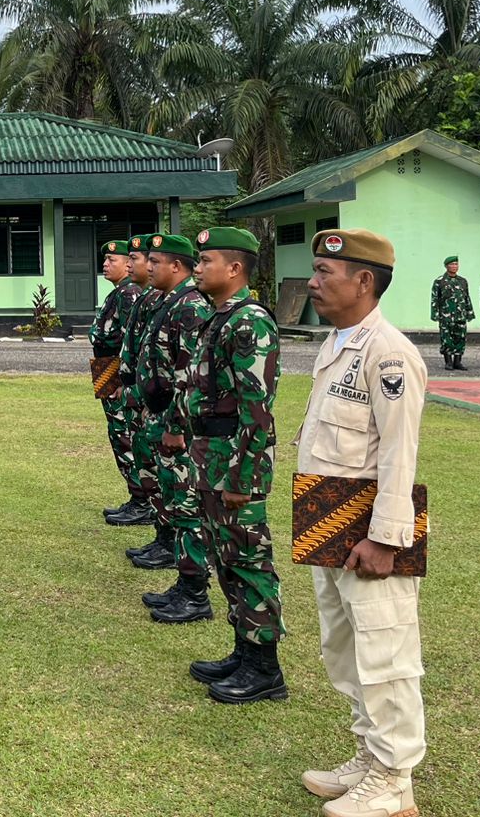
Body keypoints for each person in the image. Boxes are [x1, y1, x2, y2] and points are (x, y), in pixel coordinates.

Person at [297, 228, 428, 817]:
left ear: (364, 281)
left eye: (325, 272)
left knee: (385, 652)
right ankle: (370, 755)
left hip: (370, 531)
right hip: (327, 517)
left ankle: (395, 779)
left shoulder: (389, 353)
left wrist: (385, 539)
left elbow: (400, 453)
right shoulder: (336, 343)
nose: (312, 282)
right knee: (345, 648)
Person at [181, 226, 286, 705]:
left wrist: (243, 476)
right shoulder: (220, 317)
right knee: (225, 558)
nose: (198, 268)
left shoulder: (250, 322)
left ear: (235, 268)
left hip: (236, 463)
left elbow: (256, 407)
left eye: (206, 261)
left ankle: (265, 667)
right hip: (212, 456)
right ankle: (244, 651)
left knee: (247, 560)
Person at [138, 233, 216, 625]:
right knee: (174, 500)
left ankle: (195, 592)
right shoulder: (170, 301)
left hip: (179, 424)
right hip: (164, 417)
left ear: (175, 266)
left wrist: (176, 425)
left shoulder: (190, 306)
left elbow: (189, 375)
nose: (148, 266)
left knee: (187, 507)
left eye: (155, 261)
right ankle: (185, 583)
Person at [90, 238, 146, 526]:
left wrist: (126, 378)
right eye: (105, 260)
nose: (105, 264)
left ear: (127, 264)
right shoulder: (118, 292)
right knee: (116, 431)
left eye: (112, 260)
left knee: (124, 433)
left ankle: (142, 500)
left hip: (116, 368)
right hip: (105, 367)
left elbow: (130, 340)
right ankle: (137, 497)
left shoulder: (129, 293)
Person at [114, 235, 164, 543]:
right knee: (128, 439)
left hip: (139, 388)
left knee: (135, 444)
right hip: (126, 379)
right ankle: (142, 503)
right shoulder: (144, 296)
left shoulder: (143, 296)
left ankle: (144, 505)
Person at [428, 255, 472, 371]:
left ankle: (458, 362)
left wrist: (469, 312)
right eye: (451, 264)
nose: (454, 266)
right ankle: (448, 362)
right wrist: (435, 313)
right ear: (446, 266)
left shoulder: (462, 281)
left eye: (456, 264)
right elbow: (435, 299)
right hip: (446, 315)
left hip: (460, 315)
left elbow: (466, 297)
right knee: (446, 339)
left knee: (460, 338)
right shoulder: (439, 281)